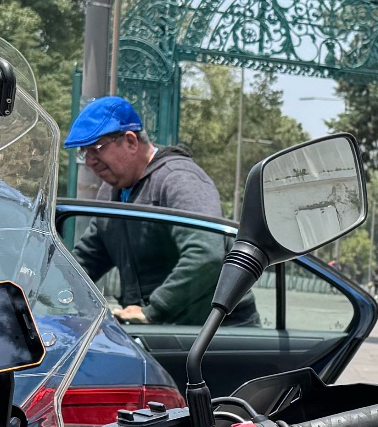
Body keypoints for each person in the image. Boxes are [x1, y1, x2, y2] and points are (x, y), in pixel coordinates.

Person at [64, 96, 250, 326]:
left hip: (217, 331)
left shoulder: (179, 179)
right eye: (84, 153)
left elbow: (205, 255)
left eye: (96, 149)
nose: (90, 162)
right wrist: (44, 290)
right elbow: (87, 258)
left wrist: (154, 310)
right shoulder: (111, 192)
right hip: (162, 328)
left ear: (131, 142)